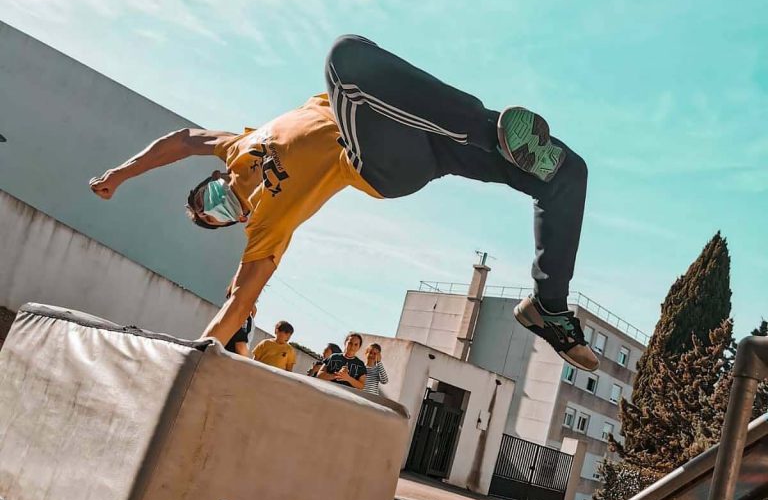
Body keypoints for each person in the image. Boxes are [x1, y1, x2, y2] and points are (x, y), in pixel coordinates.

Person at [89, 35, 597, 372]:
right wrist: (198, 353)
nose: (225, 204)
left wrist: (120, 174)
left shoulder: (235, 145)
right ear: (236, 222)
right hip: (381, 163)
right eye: (218, 217)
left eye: (211, 197)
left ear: (217, 176)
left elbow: (180, 139)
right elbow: (239, 302)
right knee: (345, 63)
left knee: (565, 175)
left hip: (419, 124)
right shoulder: (266, 225)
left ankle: (549, 307)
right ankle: (493, 132)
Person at [223, 283, 254, 357]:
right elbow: (240, 344)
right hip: (229, 359)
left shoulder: (227, 308)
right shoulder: (242, 314)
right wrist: (246, 363)